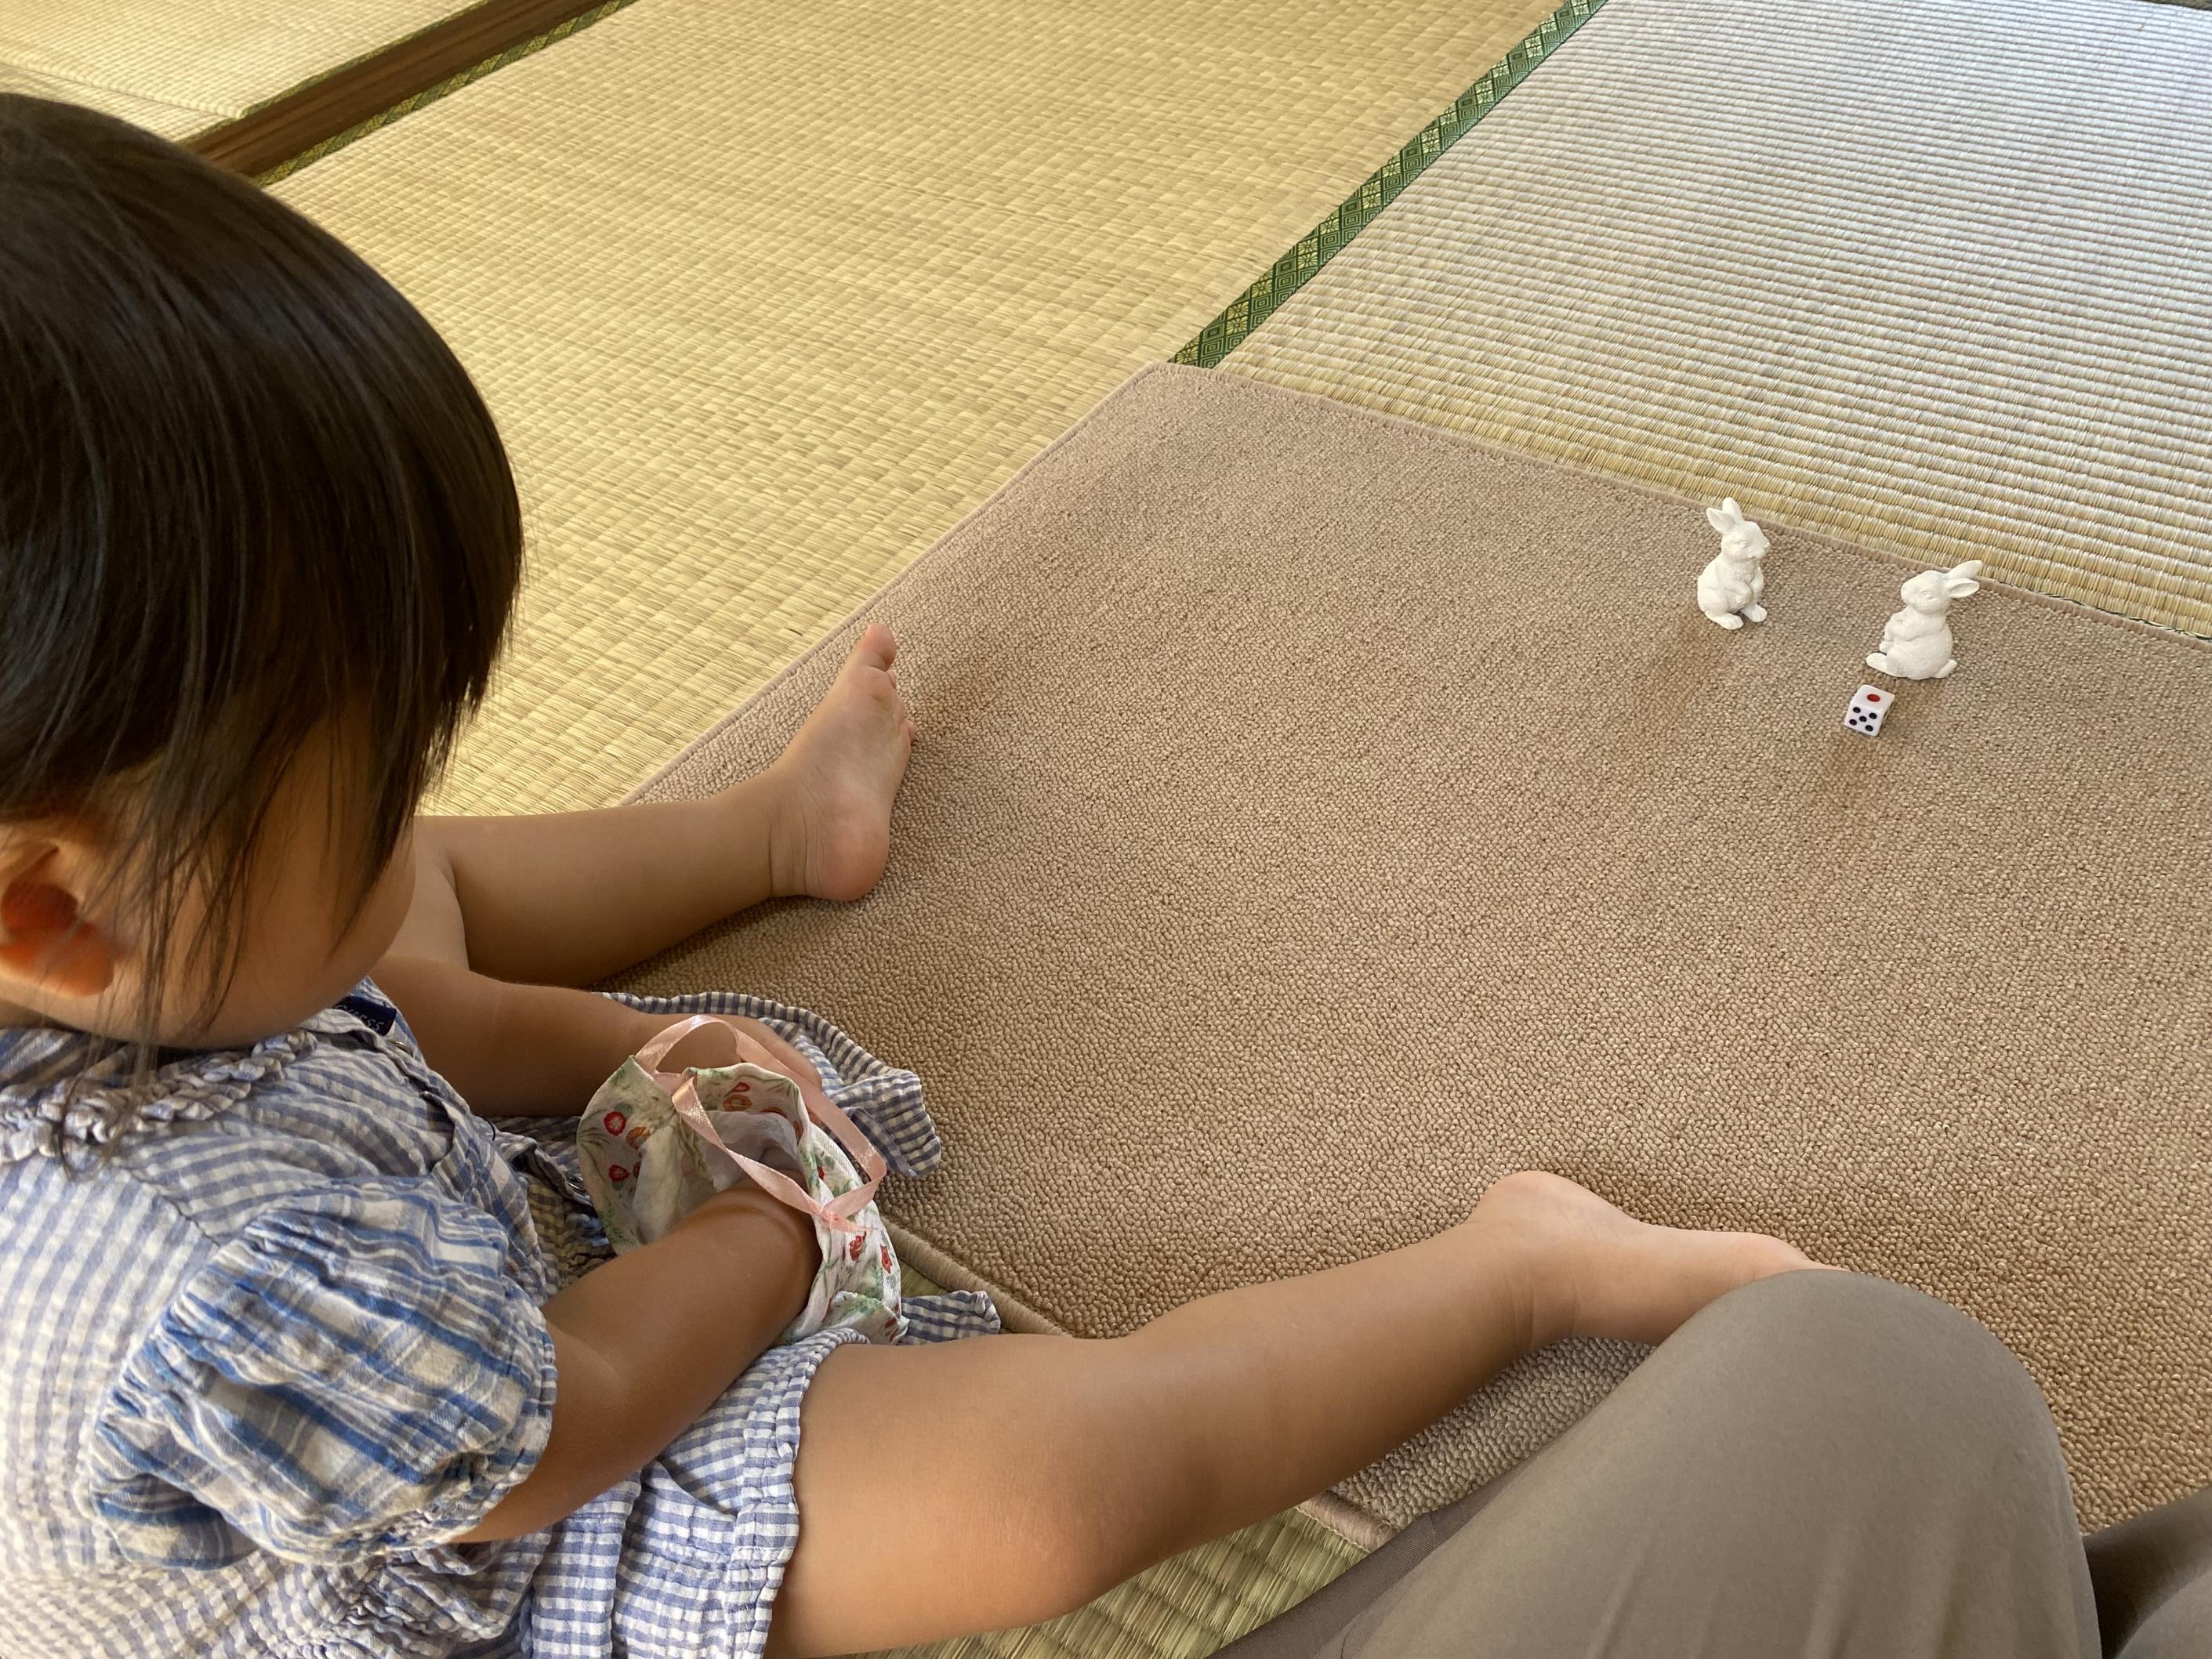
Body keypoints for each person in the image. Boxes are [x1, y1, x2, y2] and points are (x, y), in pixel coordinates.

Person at [0, 93, 2197, 1659]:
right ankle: (1518, 1269)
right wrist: (764, 1240)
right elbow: (557, 1440)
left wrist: (613, 1044)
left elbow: (411, 996)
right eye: (381, 769)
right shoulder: (205, 1283)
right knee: (1050, 1482)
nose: (417, 802)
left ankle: (779, 834)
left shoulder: (118, 949)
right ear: (49, 904)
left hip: (378, 1275)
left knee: (400, 919)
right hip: (512, 1537)